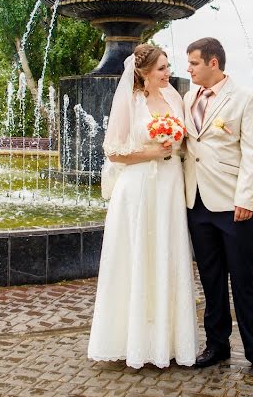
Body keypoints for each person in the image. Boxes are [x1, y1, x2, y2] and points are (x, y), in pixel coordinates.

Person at [87, 44, 199, 369]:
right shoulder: (131, 102)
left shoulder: (175, 98)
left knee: (167, 254)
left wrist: (172, 145)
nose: (168, 73)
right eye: (162, 68)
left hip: (169, 187)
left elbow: (188, 140)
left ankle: (169, 342)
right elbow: (113, 152)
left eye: (168, 67)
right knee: (135, 258)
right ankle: (130, 341)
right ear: (145, 72)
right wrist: (152, 153)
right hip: (137, 187)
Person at [182, 37, 253, 381]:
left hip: (236, 205)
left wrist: (246, 199)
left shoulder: (246, 98)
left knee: (246, 280)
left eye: (193, 63)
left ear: (213, 63)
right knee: (212, 280)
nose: (188, 69)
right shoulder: (189, 98)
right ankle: (217, 344)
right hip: (198, 203)